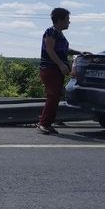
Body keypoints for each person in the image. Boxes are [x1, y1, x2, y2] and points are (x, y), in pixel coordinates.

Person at [37, 7, 86, 135]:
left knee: (55, 95)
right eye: (67, 19)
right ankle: (43, 123)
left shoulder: (59, 34)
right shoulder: (51, 31)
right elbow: (50, 49)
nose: (69, 22)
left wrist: (79, 52)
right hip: (50, 69)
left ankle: (47, 123)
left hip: (56, 70)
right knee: (53, 95)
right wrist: (60, 64)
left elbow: (65, 50)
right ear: (60, 19)